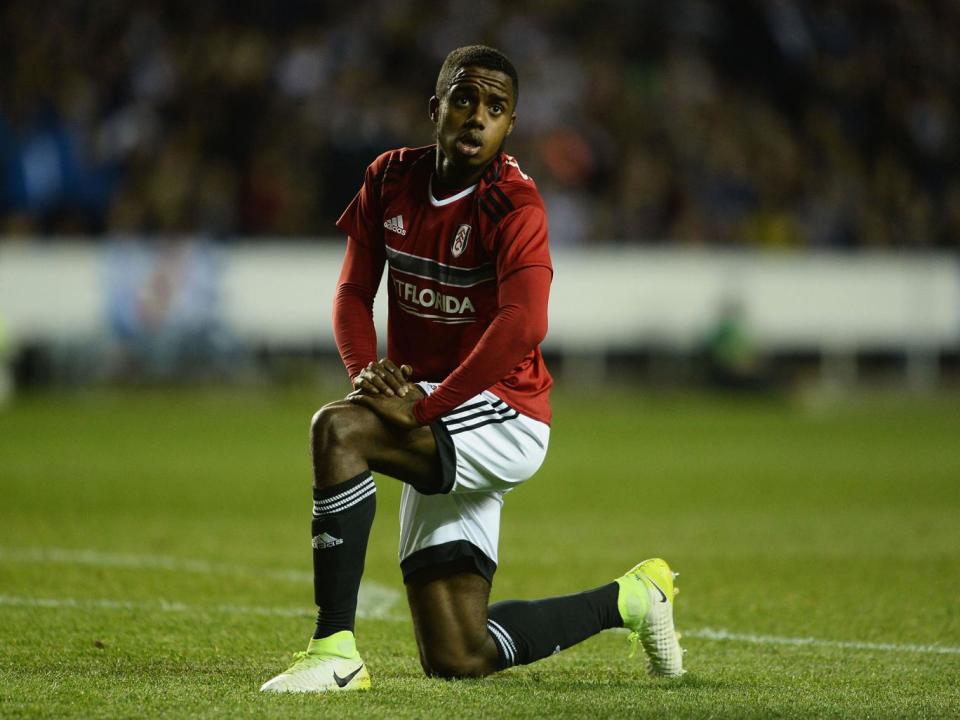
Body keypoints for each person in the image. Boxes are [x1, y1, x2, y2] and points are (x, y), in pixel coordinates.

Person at [260, 45, 684, 693]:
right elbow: (352, 293)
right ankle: (632, 599)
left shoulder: (514, 205)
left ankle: (333, 652)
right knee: (458, 655)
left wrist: (422, 408)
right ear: (436, 108)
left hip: (503, 410)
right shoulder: (388, 178)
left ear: (510, 125)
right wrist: (364, 376)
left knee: (337, 432)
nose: (476, 117)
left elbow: (524, 326)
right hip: (430, 406)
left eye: (495, 107)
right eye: (464, 99)